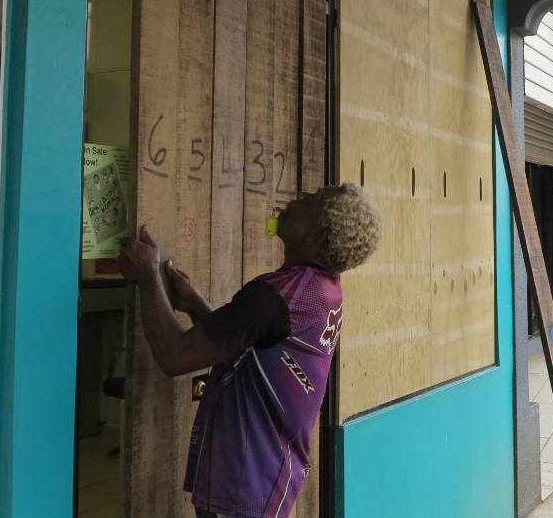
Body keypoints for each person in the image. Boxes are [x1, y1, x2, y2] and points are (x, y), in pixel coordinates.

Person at [117, 183, 382, 518]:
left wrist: (147, 276)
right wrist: (196, 304)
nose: (300, 196)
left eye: (311, 200)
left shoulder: (278, 297)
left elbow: (175, 355)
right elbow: (254, 347)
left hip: (243, 482)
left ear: (315, 235)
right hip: (266, 474)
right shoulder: (321, 290)